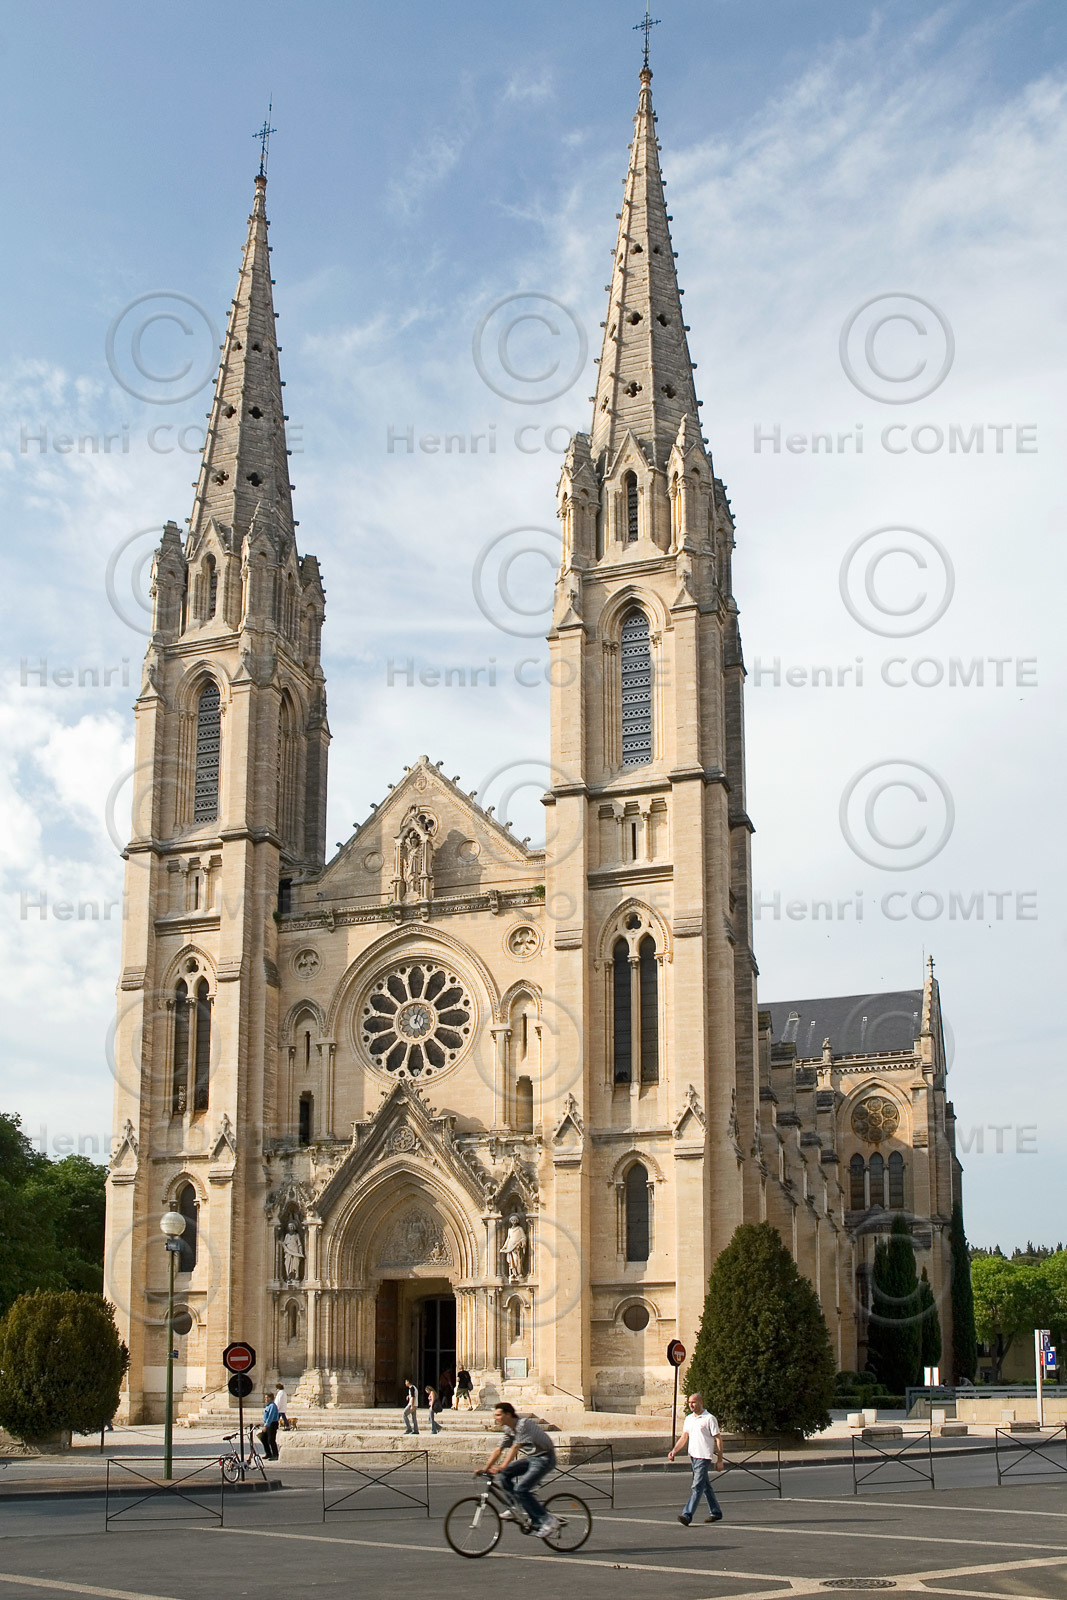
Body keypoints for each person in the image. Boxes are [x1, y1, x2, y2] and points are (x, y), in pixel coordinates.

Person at [479, 1401, 559, 1539]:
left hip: (545, 1458)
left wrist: (502, 1465)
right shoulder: (509, 1429)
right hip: (533, 1457)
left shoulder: (523, 1424)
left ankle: (548, 1520)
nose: (496, 1418)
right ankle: (515, 1506)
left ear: (508, 1414)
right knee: (505, 1475)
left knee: (521, 1489)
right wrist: (484, 1469)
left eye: (498, 1415)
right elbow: (499, 1449)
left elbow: (515, 1447)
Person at [668, 1391, 724, 1526]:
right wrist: (674, 1450)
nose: (691, 1405)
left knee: (697, 1486)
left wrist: (720, 1459)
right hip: (693, 1456)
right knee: (705, 1486)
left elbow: (718, 1438)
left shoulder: (709, 1418)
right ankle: (716, 1512)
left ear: (700, 1402)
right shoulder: (689, 1419)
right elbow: (684, 1437)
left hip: (704, 1457)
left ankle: (687, 1515)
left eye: (693, 1402)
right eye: (689, 1402)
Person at [258, 1391, 280, 1461]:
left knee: (271, 1440)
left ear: (271, 1398)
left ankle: (275, 1454)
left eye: (267, 1397)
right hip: (268, 1424)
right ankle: (268, 1453)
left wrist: (266, 1425)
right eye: (265, 1397)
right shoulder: (268, 1406)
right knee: (263, 1438)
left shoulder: (272, 1406)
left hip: (272, 1424)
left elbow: (270, 1417)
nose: (265, 1399)